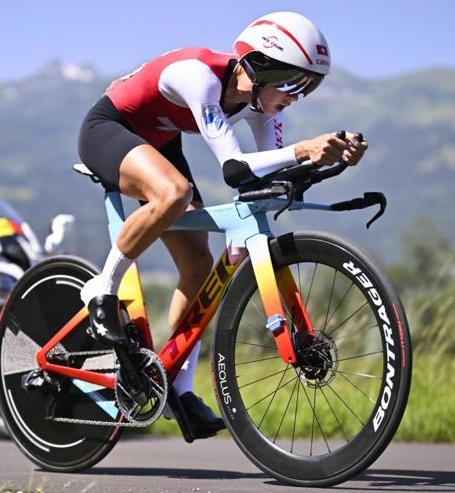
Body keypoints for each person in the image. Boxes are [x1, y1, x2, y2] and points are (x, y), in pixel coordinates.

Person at [76, 11, 368, 438]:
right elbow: (235, 168)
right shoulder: (201, 78)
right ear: (260, 65)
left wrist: (332, 159)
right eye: (293, 82)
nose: (297, 96)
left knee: (198, 263)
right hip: (109, 128)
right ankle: (102, 287)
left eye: (308, 87)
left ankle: (176, 384)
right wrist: (304, 150)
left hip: (159, 141)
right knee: (173, 193)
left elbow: (269, 174)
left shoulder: (262, 105)